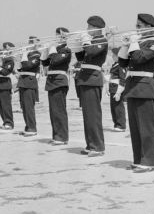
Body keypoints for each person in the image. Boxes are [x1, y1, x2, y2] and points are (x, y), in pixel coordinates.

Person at [118, 14, 154, 173]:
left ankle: (148, 161)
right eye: (136, 26)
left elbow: (138, 59)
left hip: (145, 86)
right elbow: (123, 63)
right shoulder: (138, 43)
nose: (137, 29)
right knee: (135, 127)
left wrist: (133, 42)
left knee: (147, 127)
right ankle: (139, 159)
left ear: (150, 27)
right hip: (133, 87)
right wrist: (125, 45)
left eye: (140, 26)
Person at [74, 16, 109, 157]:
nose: (87, 29)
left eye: (89, 27)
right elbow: (81, 58)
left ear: (96, 28)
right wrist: (77, 43)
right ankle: (90, 144)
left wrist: (85, 41)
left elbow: (92, 52)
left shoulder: (101, 40)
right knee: (87, 115)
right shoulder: (92, 41)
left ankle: (98, 147)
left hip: (92, 78)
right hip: (85, 78)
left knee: (93, 115)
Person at [41, 27, 72, 145]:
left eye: (58, 35)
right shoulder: (55, 49)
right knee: (53, 111)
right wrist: (45, 50)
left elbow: (54, 61)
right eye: (56, 35)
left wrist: (52, 48)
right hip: (52, 81)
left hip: (59, 81)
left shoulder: (66, 50)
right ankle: (56, 135)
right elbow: (45, 63)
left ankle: (62, 137)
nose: (56, 37)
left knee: (59, 110)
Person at [17, 37, 41, 136]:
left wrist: (24, 55)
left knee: (29, 107)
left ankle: (32, 128)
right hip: (23, 81)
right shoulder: (27, 54)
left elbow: (27, 66)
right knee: (24, 106)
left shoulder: (36, 55)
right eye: (30, 42)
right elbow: (19, 68)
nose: (31, 43)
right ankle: (28, 127)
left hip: (29, 82)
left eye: (33, 42)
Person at [0, 42, 16, 130]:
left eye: (5, 50)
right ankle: (5, 121)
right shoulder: (2, 60)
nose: (3, 52)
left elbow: (5, 72)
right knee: (1, 106)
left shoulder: (10, 60)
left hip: (5, 83)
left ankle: (9, 123)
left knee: (6, 105)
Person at [109, 47, 127, 132]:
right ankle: (116, 123)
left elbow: (123, 79)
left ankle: (121, 125)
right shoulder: (115, 64)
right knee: (114, 107)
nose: (112, 56)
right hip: (113, 87)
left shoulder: (120, 65)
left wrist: (119, 92)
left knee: (118, 107)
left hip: (117, 88)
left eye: (114, 55)